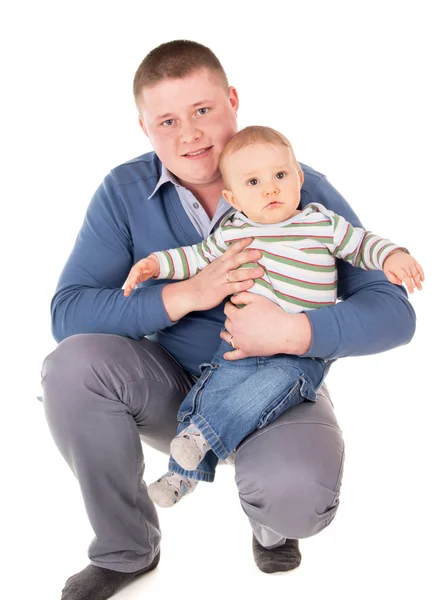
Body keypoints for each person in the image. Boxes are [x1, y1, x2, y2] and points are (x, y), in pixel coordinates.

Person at [41, 40, 417, 600]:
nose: (188, 134)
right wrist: (187, 295)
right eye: (167, 120)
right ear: (144, 128)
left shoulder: (294, 188)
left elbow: (393, 312)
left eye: (202, 110)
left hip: (281, 380)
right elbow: (68, 312)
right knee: (71, 367)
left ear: (233, 101)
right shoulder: (123, 192)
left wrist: (297, 332)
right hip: (170, 385)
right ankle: (127, 548)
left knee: (296, 497)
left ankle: (268, 520)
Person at [123, 125, 423, 507]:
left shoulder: (319, 222)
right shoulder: (234, 233)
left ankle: (199, 443)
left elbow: (362, 244)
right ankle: (181, 476)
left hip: (299, 358)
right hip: (238, 348)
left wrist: (393, 255)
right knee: (208, 393)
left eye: (280, 176)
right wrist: (154, 264)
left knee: (260, 394)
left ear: (298, 177)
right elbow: (194, 257)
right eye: (253, 182)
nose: (270, 189)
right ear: (233, 197)